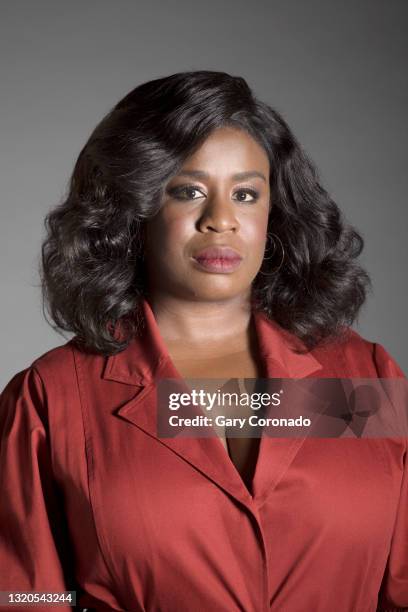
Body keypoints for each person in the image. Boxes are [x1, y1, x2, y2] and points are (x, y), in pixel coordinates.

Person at [0, 70, 406, 611]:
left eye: (245, 194)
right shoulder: (53, 399)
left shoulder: (364, 379)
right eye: (188, 191)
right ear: (134, 210)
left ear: (273, 214)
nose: (221, 220)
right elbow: (28, 598)